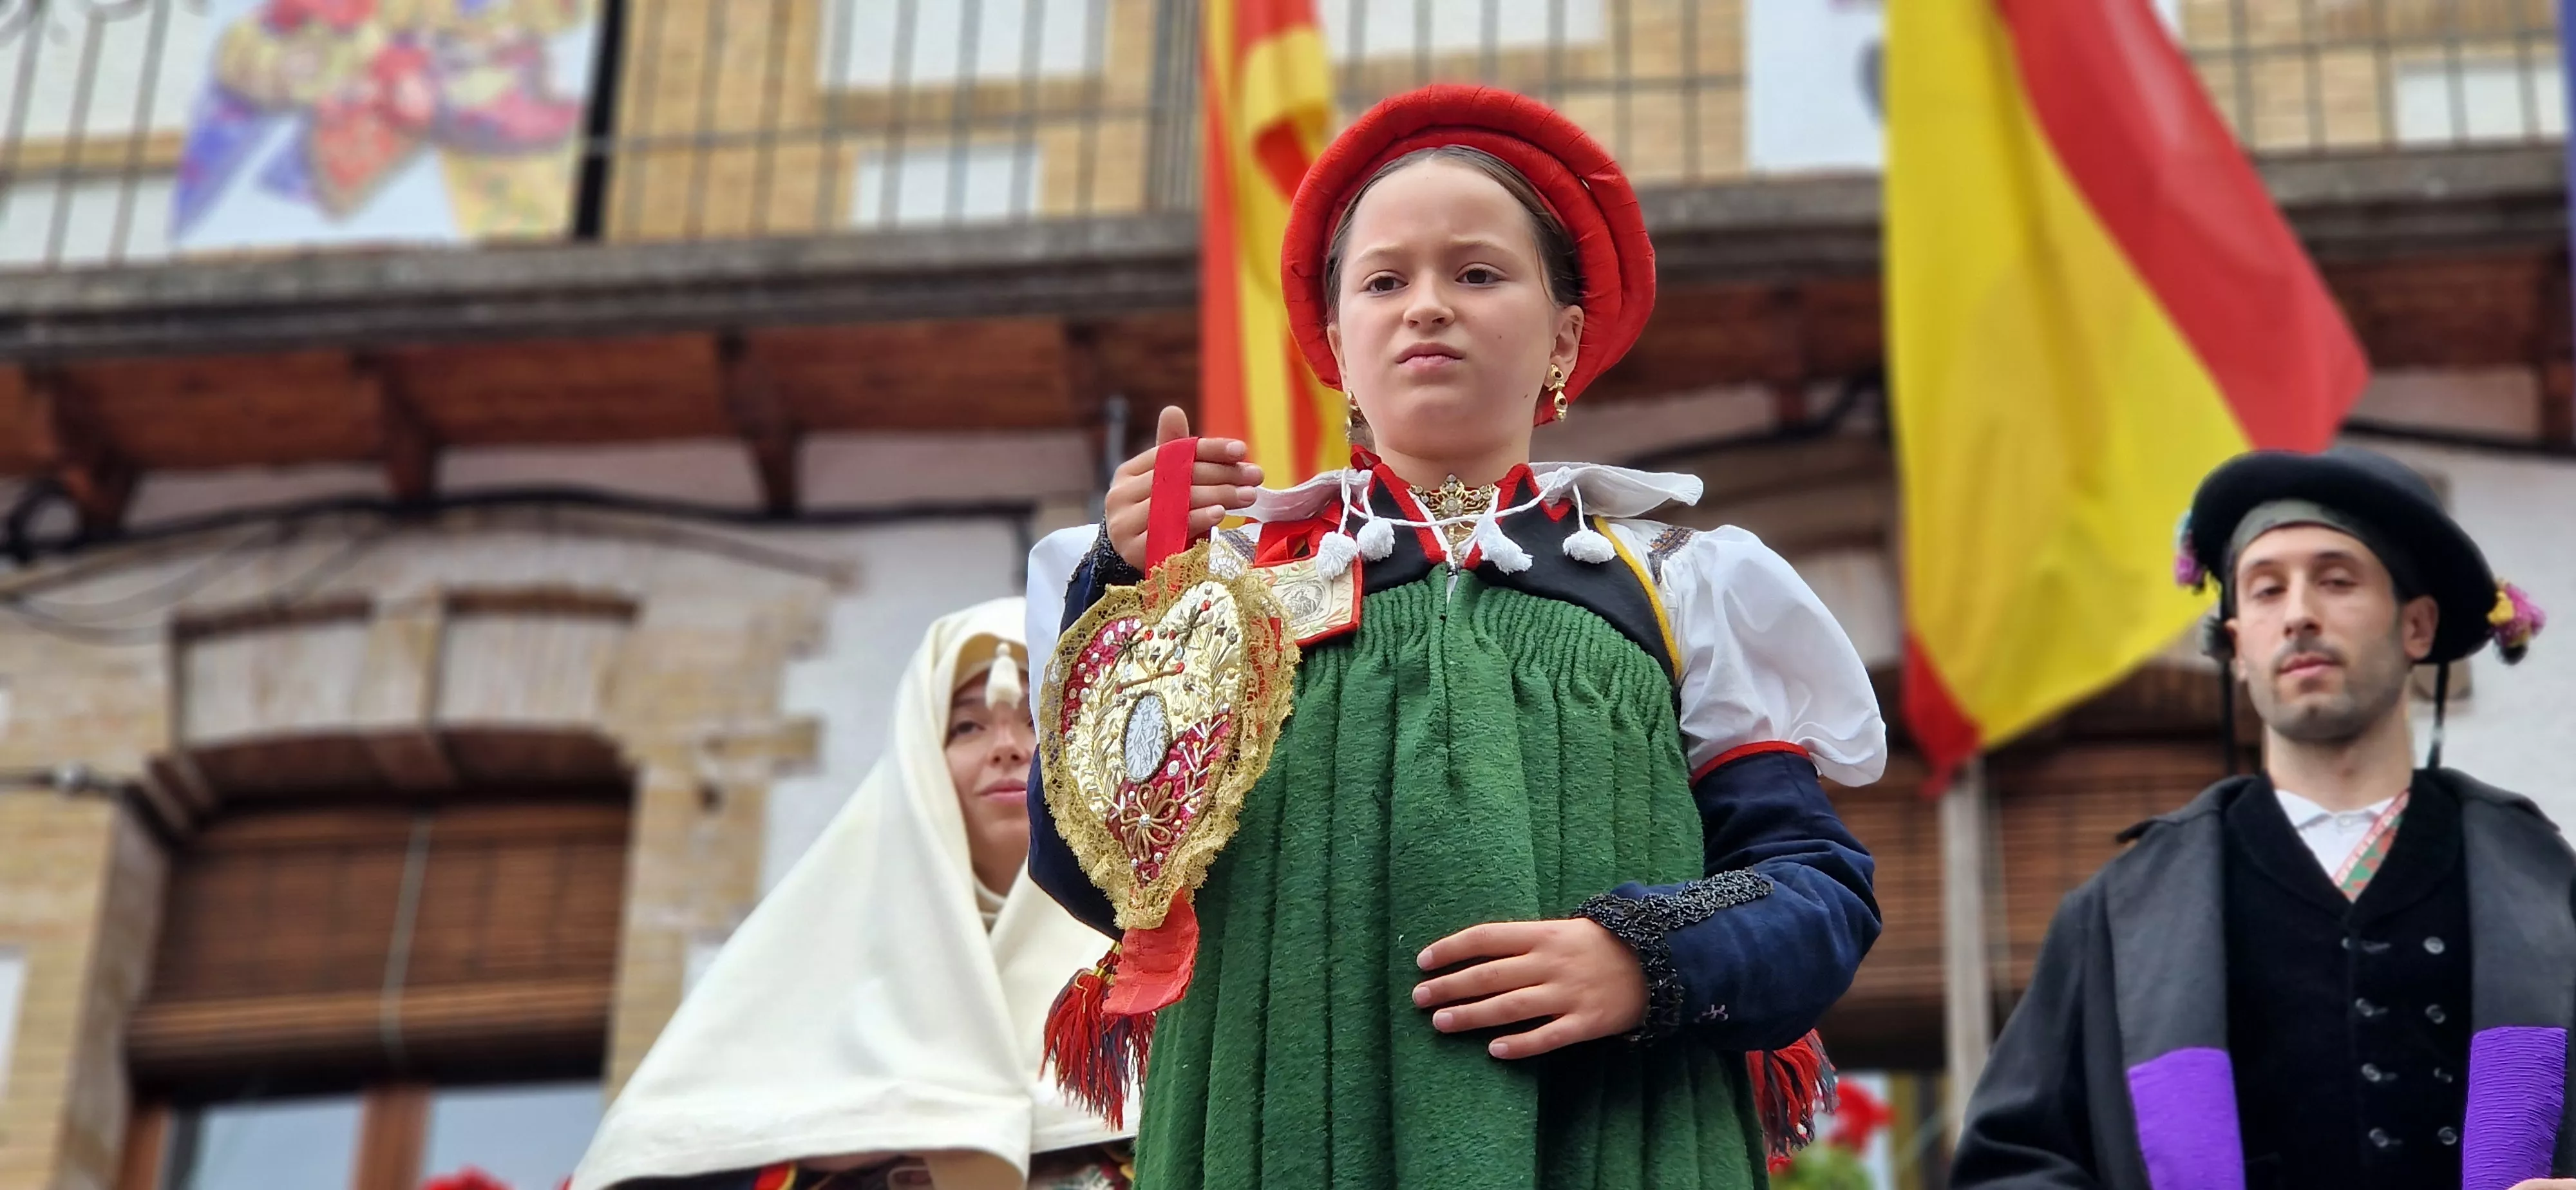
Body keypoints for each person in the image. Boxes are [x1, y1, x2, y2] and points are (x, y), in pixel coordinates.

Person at [1023, 84, 1888, 1190]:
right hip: (1281, 1138)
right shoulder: (1225, 588)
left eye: (1477, 273)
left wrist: (1643, 958)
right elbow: (1087, 872)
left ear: (1563, 336)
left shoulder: (1680, 585)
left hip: (1607, 1136)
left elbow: (1819, 891)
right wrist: (1127, 594)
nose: (1426, 306)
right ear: (1339, 344)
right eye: (1384, 282)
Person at [1951, 446, 2568, 1190]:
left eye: (2336, 580)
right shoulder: (2120, 914)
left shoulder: (2548, 890)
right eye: (2266, 590)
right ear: (2236, 646)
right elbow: (2010, 1168)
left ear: (2417, 626)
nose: (2299, 614)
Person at [573, 598, 1133, 1190]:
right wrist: (842, 1129)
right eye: (966, 726)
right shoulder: (803, 975)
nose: (1008, 747)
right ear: (918, 760)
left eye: (1036, 720)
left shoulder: (1160, 960)